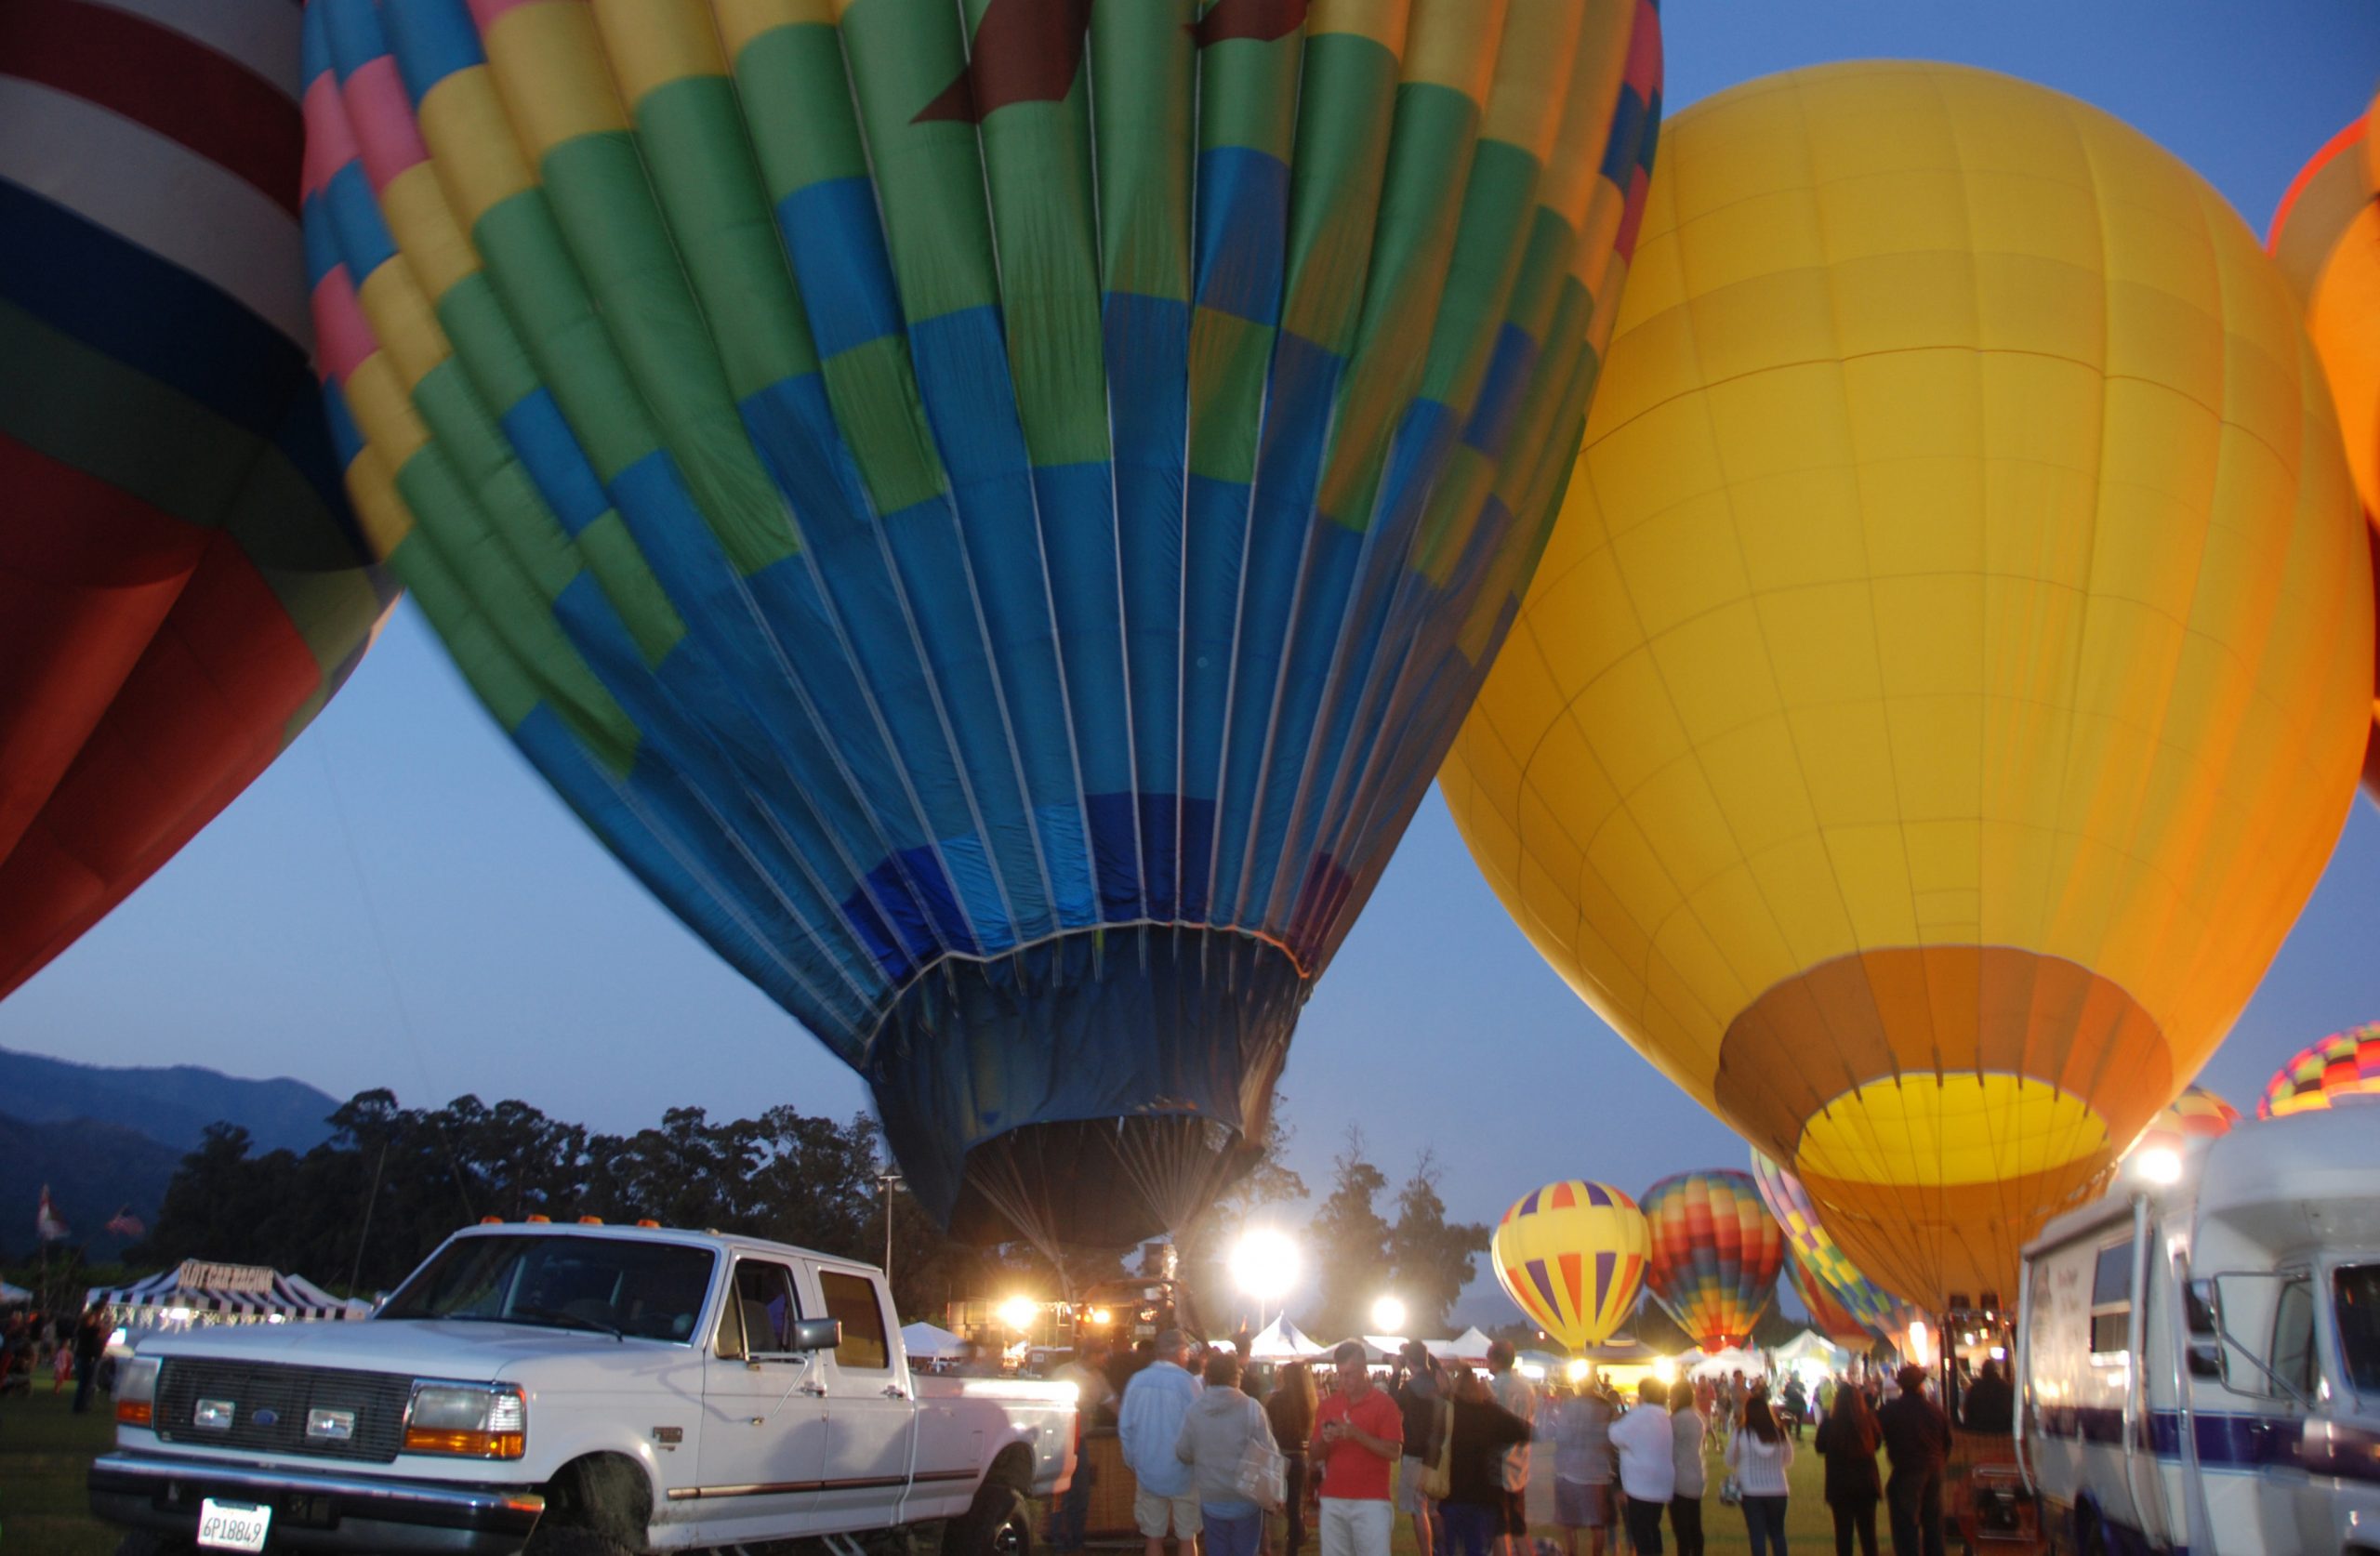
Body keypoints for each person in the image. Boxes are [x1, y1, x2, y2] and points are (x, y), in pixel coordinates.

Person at [1310, 1341, 1403, 1556]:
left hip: (1371, 1501)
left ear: (1364, 1370)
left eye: (1349, 1374)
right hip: (1333, 1498)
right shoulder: (1328, 1405)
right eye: (1340, 1374)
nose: (1343, 1381)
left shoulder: (1385, 1405)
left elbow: (1393, 1452)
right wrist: (1324, 1440)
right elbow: (1314, 1456)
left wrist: (1357, 1434)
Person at [1179, 1352, 1276, 1556]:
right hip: (1246, 1497)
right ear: (1236, 1376)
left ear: (1208, 1377)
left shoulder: (1195, 1411)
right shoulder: (1251, 1408)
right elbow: (1269, 1451)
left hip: (1211, 1497)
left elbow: (1183, 1452)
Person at [1122, 1330, 1206, 1556]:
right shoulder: (1188, 1383)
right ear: (1179, 1352)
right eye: (1186, 1351)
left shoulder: (1137, 1381)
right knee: (1187, 1537)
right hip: (1184, 1473)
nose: (1188, 1356)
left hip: (1148, 1471)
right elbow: (1199, 1427)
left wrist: (1134, 1461)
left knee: (1153, 1536)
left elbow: (1126, 1427)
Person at [1437, 1366, 1537, 1556]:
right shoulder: (1491, 1413)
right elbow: (1523, 1432)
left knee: (1449, 1547)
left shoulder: (1449, 1411)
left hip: (1451, 1492)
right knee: (1477, 1547)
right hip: (1484, 1494)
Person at [1051, 1338, 1117, 1555]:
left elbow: (1113, 1403)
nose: (1105, 1358)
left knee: (1080, 1493)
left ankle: (1076, 1541)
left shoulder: (1098, 1378)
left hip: (1080, 1441)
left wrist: (1129, 1421)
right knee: (1059, 1493)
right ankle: (1058, 1542)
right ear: (1090, 1354)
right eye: (1101, 1354)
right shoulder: (1062, 1374)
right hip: (1060, 1441)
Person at [1876, 1366, 1950, 1556]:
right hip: (1934, 1468)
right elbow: (1947, 1442)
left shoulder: (1890, 1410)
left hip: (1907, 1470)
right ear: (1921, 1384)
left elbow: (1875, 1438)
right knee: (1933, 1524)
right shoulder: (1935, 1410)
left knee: (1905, 1526)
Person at [1815, 1370, 1884, 1556]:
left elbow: (1819, 1447)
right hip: (1866, 1484)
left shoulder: (1830, 1424)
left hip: (1840, 1485)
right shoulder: (1868, 1421)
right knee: (1869, 1535)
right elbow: (1877, 1444)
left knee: (1843, 1535)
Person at [1552, 1372, 1618, 1556]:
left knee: (1569, 1523)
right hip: (1599, 1472)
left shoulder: (1570, 1406)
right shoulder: (1605, 1406)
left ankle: (1572, 1553)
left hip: (1571, 1470)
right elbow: (1612, 1438)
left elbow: (1562, 1437)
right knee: (1598, 1524)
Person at [1483, 1339, 1537, 1556]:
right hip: (1521, 1464)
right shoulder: (1528, 1388)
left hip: (1498, 1464)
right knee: (1518, 1525)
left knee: (1499, 1527)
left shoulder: (1493, 1388)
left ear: (1495, 1360)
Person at [1609, 1378, 1674, 1555]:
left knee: (1641, 1533)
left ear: (1643, 1394)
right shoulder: (1664, 1416)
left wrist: (1615, 1420)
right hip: (1662, 1483)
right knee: (1653, 1528)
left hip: (1641, 1486)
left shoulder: (1639, 1415)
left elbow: (1615, 1435)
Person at [1726, 1392, 1795, 1555]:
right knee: (1778, 1534)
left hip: (1751, 1491)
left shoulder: (1741, 1433)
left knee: (1757, 1536)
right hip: (1778, 1490)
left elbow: (1729, 1460)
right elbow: (1789, 1460)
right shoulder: (1780, 1433)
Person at [1393, 1341, 1444, 1556]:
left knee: (1418, 1509)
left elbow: (1391, 1402)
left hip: (1415, 1452)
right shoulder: (1438, 1383)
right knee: (1433, 1509)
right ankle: (1444, 1549)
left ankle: (1427, 1553)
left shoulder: (1410, 1388)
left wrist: (1396, 1373)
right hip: (1437, 1453)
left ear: (1409, 1361)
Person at [1267, 1361, 1319, 1556]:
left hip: (1279, 1455)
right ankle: (1292, 1548)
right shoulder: (1308, 1401)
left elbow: (1269, 1428)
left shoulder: (1275, 1401)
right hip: (1299, 1456)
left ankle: (1275, 1544)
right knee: (1295, 1504)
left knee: (1275, 1504)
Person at [1666, 1378, 1706, 1556]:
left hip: (1679, 1477)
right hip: (1696, 1475)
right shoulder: (1697, 1419)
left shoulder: (1674, 1420)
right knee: (1695, 1525)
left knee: (1681, 1531)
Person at [1959, 1360, 2013, 1435]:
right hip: (2004, 1433)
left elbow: (1967, 1414)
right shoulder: (2006, 1388)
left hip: (1977, 1434)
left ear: (1983, 1372)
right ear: (1995, 1371)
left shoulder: (1974, 1389)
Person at [1781, 1375, 1809, 1441]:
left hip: (1790, 1405)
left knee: (1789, 1420)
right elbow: (1804, 1392)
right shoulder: (1801, 1384)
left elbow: (1785, 1394)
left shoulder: (1788, 1385)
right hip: (1799, 1405)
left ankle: (1788, 1434)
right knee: (1799, 1421)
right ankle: (1798, 1435)